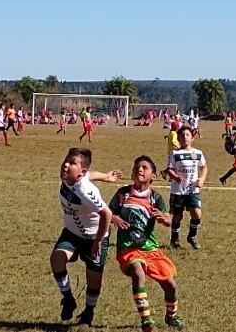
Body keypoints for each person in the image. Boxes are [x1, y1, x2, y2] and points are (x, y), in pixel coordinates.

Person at [109, 156, 185, 332]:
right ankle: (147, 320)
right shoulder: (123, 194)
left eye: (144, 167)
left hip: (150, 249)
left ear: (154, 176)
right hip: (128, 249)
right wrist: (115, 218)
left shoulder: (155, 198)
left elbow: (167, 220)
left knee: (170, 285)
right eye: (136, 167)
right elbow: (107, 213)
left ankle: (171, 316)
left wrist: (164, 218)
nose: (139, 170)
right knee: (138, 271)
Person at [50, 148, 120, 327]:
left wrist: (97, 242)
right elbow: (90, 174)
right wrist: (106, 176)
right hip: (72, 233)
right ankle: (68, 298)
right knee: (56, 259)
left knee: (93, 279)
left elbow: (107, 214)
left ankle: (88, 313)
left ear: (80, 171)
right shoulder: (68, 178)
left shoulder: (86, 191)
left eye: (72, 163)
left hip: (94, 237)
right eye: (66, 161)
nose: (65, 165)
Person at [166, 126, 207, 250]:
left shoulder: (198, 153)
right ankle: (174, 239)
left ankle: (192, 236)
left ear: (192, 138)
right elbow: (169, 169)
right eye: (182, 135)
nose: (185, 137)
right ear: (178, 138)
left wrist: (202, 179)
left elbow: (204, 167)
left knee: (197, 213)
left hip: (192, 190)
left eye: (187, 135)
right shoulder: (175, 153)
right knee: (178, 216)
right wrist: (176, 176)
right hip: (178, 191)